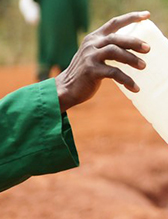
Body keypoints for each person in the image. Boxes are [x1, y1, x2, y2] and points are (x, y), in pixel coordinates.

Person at [0, 11, 150, 193]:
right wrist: (63, 86)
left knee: (48, 46)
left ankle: (44, 68)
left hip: (47, 20)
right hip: (67, 21)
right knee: (64, 46)